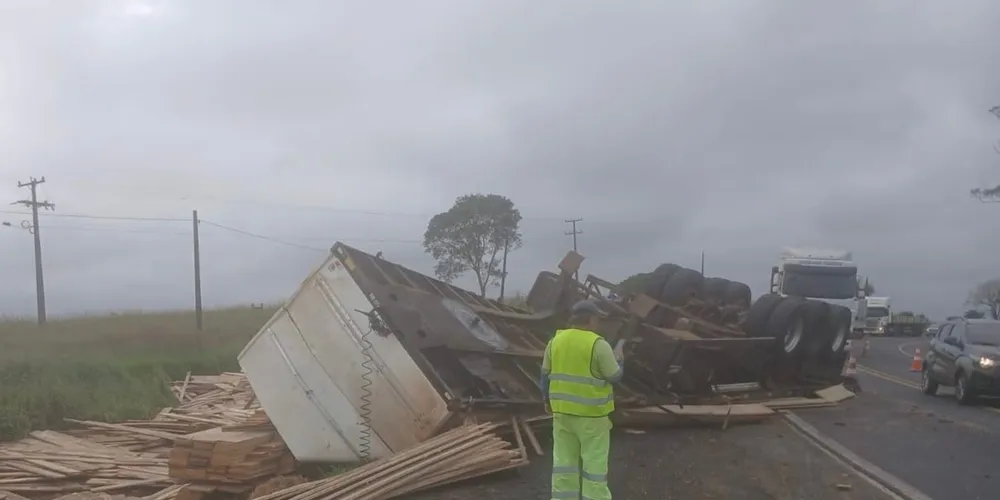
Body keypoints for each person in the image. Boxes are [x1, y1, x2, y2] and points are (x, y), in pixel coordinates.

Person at [540, 299, 624, 500]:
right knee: (594, 465)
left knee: (563, 464)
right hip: (592, 418)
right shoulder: (598, 344)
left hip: (562, 414)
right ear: (592, 319)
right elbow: (614, 376)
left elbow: (544, 376)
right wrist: (620, 360)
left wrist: (546, 401)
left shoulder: (555, 341)